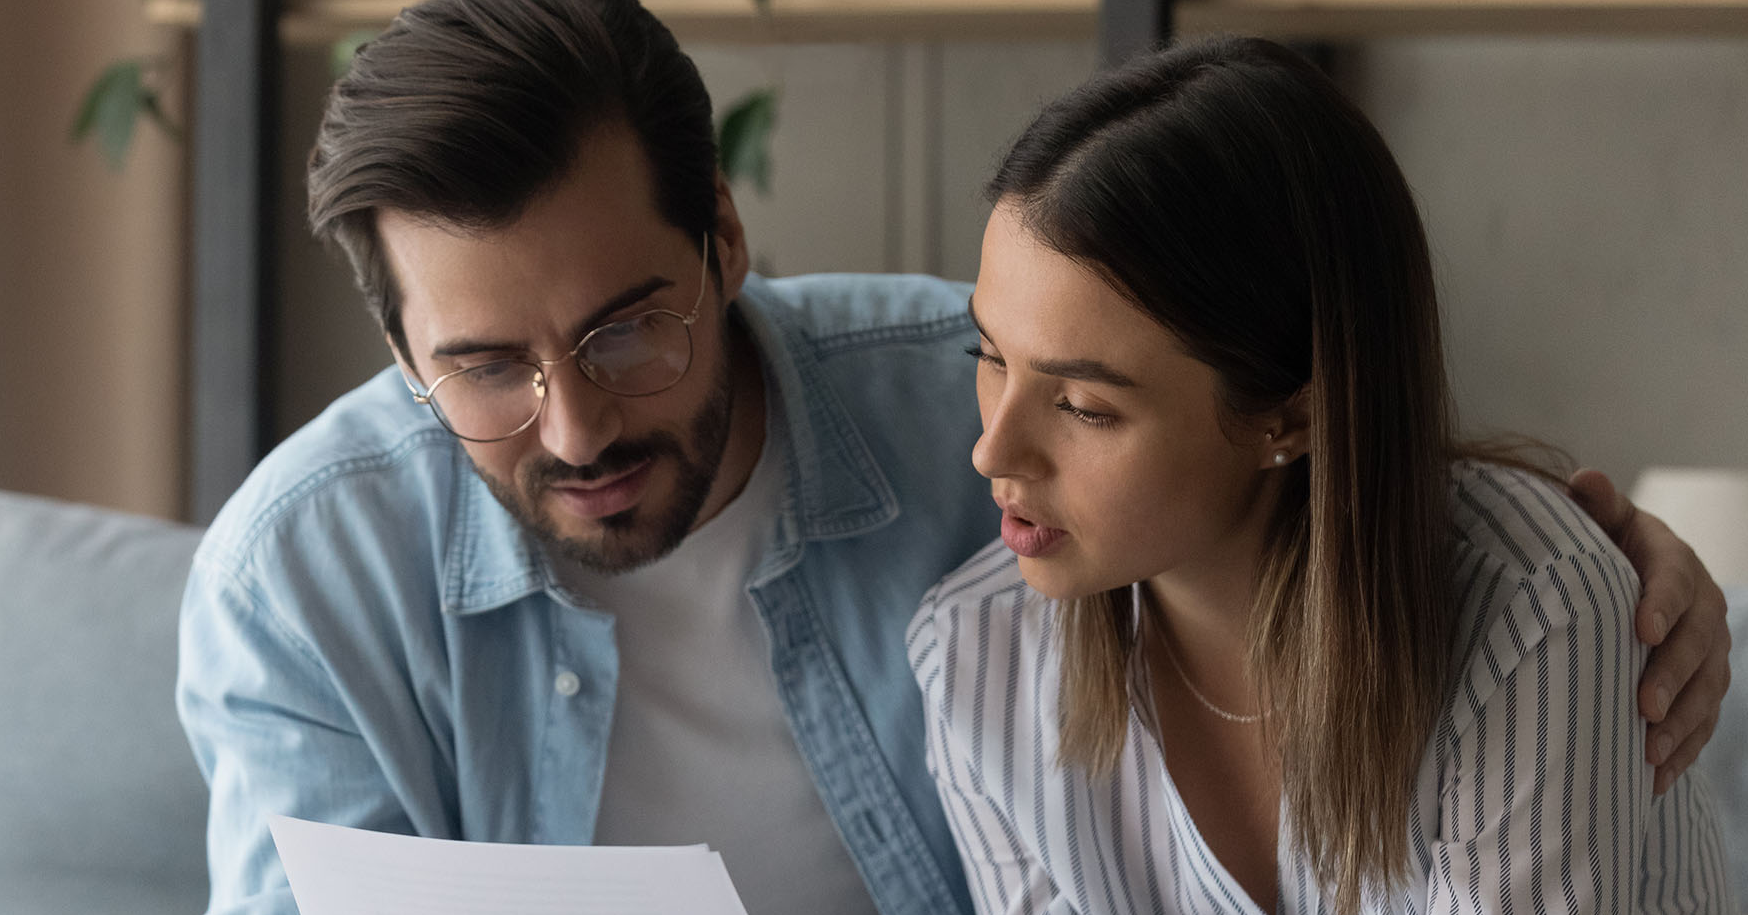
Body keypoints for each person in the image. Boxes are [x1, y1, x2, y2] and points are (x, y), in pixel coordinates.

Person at [173, 2, 1730, 913]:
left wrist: (1594, 548)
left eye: (627, 327)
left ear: (725, 237)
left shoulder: (951, 394)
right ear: (398, 358)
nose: (575, 426)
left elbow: (1290, 427)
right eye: (484, 368)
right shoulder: (297, 584)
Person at [907, 36, 1732, 915]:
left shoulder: (1532, 619)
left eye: (1081, 405)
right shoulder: (974, 655)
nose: (993, 450)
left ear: (1291, 414)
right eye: (988, 355)